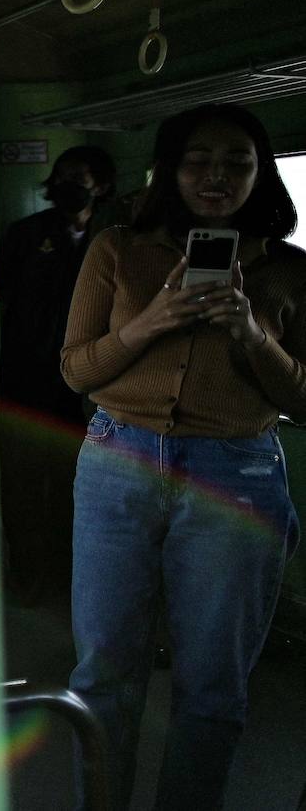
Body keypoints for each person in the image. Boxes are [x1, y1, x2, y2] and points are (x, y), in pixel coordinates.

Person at [61, 104, 303, 809]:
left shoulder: (290, 270)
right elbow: (77, 371)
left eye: (238, 161)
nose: (217, 175)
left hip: (239, 472)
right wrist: (151, 322)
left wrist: (255, 336)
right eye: (198, 160)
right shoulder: (117, 250)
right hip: (119, 461)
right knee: (103, 673)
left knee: (213, 687)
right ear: (170, 169)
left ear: (262, 174)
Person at [0, 146, 115, 598]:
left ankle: (70, 575)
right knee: (22, 479)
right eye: (61, 176)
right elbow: (0, 286)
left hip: (86, 383)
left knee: (76, 479)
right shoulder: (27, 233)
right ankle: (26, 575)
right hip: (25, 377)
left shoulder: (115, 238)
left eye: (79, 177)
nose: (68, 184)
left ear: (99, 185)